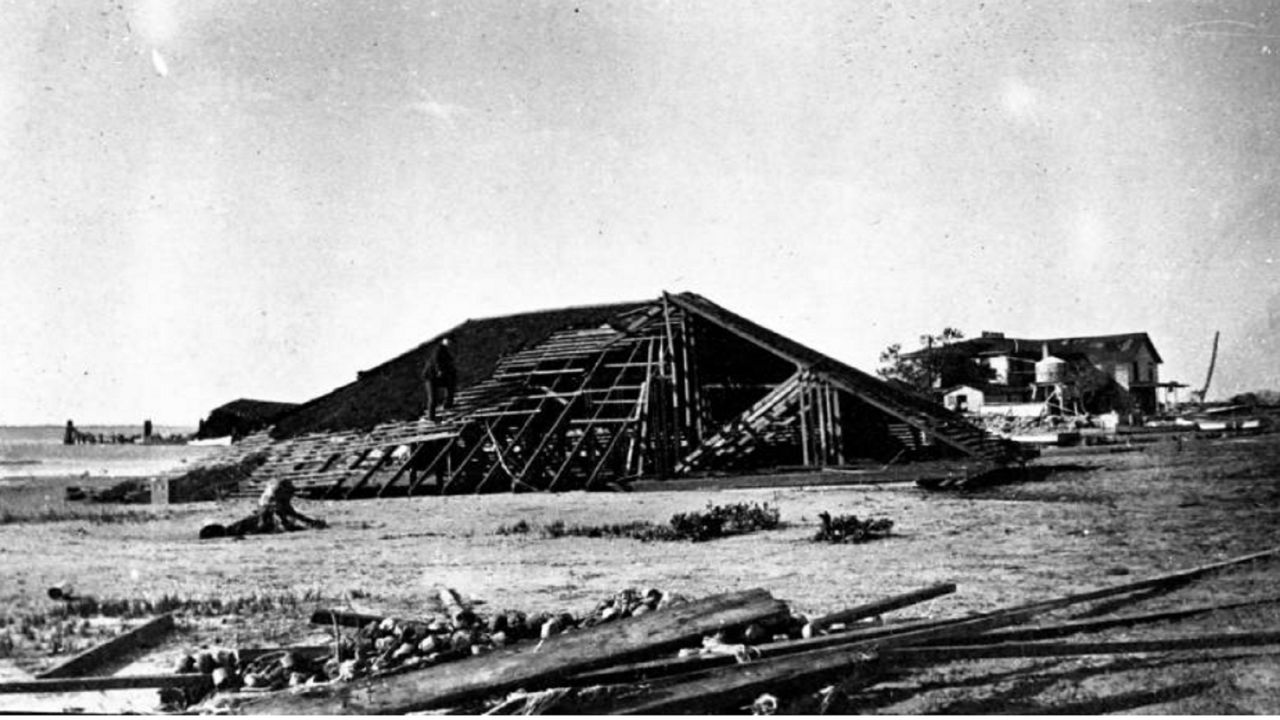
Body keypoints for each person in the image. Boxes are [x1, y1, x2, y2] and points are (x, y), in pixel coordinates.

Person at [422, 336, 457, 421]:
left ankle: (448, 404)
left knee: (450, 384)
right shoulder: (438, 350)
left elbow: (449, 364)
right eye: (448, 341)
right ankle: (431, 417)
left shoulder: (445, 351)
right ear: (444, 341)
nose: (450, 344)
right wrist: (439, 371)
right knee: (433, 398)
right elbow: (436, 361)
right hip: (430, 377)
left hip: (438, 377)